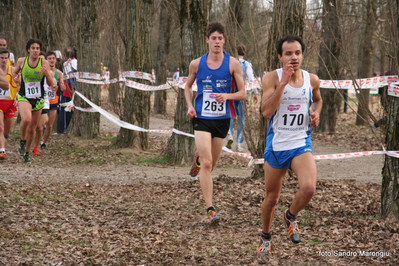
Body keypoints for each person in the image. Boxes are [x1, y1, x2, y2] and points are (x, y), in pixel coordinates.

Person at [258, 35, 322, 256]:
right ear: (280, 56)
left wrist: (316, 115)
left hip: (300, 143)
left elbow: (318, 99)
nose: (293, 57)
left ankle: (290, 215)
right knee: (272, 198)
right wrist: (283, 82)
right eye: (288, 53)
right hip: (277, 145)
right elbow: (266, 112)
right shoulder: (271, 78)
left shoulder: (312, 79)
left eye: (297, 53)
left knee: (308, 188)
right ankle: (266, 236)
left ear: (302, 55)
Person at [185, 22, 246, 225]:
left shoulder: (233, 63)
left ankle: (197, 162)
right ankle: (210, 209)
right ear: (207, 40)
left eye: (220, 38)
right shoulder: (197, 64)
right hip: (202, 118)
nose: (217, 42)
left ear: (224, 41)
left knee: (210, 167)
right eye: (214, 38)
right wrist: (189, 106)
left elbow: (243, 93)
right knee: (208, 163)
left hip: (222, 120)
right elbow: (187, 86)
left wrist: (227, 96)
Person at [13, 38, 55, 163]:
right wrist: (16, 78)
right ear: (28, 50)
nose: (35, 51)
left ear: (40, 50)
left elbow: (50, 83)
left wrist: (47, 74)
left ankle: (26, 152)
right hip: (24, 96)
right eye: (33, 48)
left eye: (37, 48)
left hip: (38, 98)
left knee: (32, 128)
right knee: (26, 119)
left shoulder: (44, 63)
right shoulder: (22, 61)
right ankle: (22, 140)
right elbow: (14, 73)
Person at [226, 45, 259, 152]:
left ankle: (229, 134)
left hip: (230, 92)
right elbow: (251, 78)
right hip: (242, 93)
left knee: (230, 115)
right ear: (245, 53)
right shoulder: (247, 64)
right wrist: (255, 92)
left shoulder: (230, 62)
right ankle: (238, 144)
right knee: (241, 119)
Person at [33, 51, 64, 153]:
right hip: (43, 100)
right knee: (40, 124)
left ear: (55, 60)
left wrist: (61, 86)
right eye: (49, 58)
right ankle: (35, 141)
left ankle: (43, 142)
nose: (51, 60)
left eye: (53, 58)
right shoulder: (39, 71)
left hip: (53, 101)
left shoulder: (58, 73)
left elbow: (62, 86)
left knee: (50, 125)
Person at [0, 48, 17, 159]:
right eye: (1, 58)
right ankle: (2, 151)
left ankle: (2, 144)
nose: (4, 60)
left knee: (6, 131)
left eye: (6, 58)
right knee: (0, 128)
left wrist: (17, 97)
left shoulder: (13, 70)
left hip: (10, 103)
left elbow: (20, 85)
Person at [57, 47, 76, 134]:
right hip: (68, 90)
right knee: (65, 111)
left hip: (70, 90)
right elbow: (70, 78)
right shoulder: (69, 63)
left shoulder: (71, 62)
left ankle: (62, 129)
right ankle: (62, 129)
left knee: (66, 111)